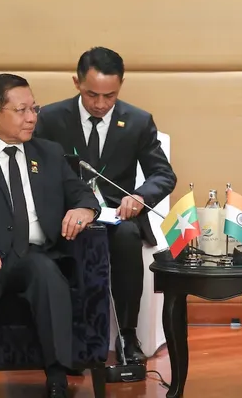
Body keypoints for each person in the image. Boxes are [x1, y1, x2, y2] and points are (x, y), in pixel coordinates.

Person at [0, 73, 101, 398]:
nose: (32, 117)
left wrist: (85, 209)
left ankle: (57, 378)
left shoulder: (49, 153)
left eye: (34, 108)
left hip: (35, 253)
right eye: (22, 110)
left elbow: (82, 193)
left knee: (49, 276)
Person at [34, 46, 176, 364]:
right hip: (67, 215)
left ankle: (127, 335)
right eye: (91, 95)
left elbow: (163, 175)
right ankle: (67, 336)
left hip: (117, 217)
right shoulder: (51, 119)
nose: (100, 104)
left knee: (127, 237)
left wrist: (140, 196)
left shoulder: (138, 121)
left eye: (109, 96)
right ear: (76, 83)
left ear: (120, 85)